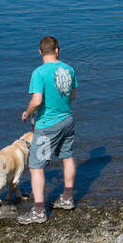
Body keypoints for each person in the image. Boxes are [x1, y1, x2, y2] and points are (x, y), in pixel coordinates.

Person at [19, 35, 78, 224]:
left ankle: (38, 211)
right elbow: (72, 96)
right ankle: (67, 198)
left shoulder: (39, 73)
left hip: (47, 126)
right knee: (67, 156)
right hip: (67, 120)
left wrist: (27, 113)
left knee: (36, 166)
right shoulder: (69, 69)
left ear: (40, 52)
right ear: (57, 50)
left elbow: (37, 101)